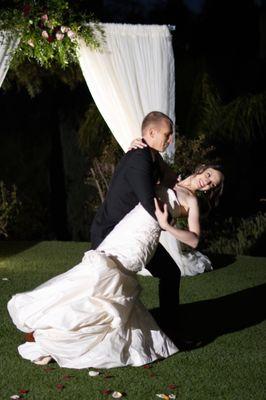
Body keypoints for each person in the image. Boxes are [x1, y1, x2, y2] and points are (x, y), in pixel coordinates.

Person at [7, 164, 224, 369]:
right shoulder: (171, 176)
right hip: (126, 228)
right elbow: (151, 156)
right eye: (209, 176)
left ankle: (58, 335)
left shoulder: (192, 201)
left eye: (212, 184)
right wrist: (137, 142)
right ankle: (48, 323)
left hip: (141, 238)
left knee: (108, 282)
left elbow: (194, 240)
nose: (207, 183)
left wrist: (167, 225)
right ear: (201, 168)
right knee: (92, 276)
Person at [90, 111, 182, 330]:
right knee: (99, 290)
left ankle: (169, 328)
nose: (170, 140)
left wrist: (192, 185)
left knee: (170, 273)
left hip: (132, 233)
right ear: (151, 132)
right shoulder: (139, 159)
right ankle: (77, 329)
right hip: (110, 235)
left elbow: (172, 178)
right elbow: (151, 207)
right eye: (167, 135)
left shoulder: (151, 154)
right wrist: (174, 218)